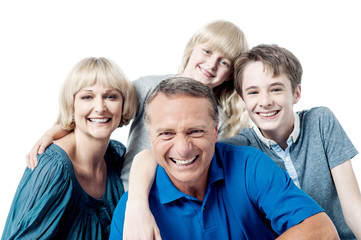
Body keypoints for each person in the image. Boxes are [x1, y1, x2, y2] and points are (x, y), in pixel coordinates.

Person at [25, 20, 250, 191]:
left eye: (224, 62)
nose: (211, 64)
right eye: (208, 51)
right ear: (192, 48)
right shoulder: (147, 87)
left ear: (230, 75)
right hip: (127, 194)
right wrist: (51, 133)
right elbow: (98, 112)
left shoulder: (221, 117)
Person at [109, 77, 339, 239]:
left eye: (195, 131)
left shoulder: (249, 165)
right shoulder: (132, 211)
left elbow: (322, 231)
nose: (182, 148)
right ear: (150, 136)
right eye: (167, 133)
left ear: (216, 128)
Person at [221, 44, 361, 239]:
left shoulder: (320, 122)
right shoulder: (237, 149)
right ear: (242, 100)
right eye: (253, 92)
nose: (265, 101)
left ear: (296, 93)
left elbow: (354, 210)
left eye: (276, 89)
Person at [2, 57, 137, 239]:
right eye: (87, 97)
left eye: (110, 96)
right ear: (71, 104)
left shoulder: (115, 156)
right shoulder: (53, 168)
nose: (99, 108)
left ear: (123, 104)